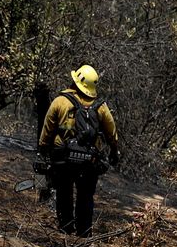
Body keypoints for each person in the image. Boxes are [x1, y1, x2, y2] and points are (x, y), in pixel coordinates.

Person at [36, 64, 122, 235]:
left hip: (62, 159)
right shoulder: (100, 107)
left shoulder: (60, 101)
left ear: (75, 81)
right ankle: (84, 232)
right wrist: (114, 152)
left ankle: (65, 229)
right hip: (89, 161)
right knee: (85, 196)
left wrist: (43, 151)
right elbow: (112, 134)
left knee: (64, 193)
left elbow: (47, 131)